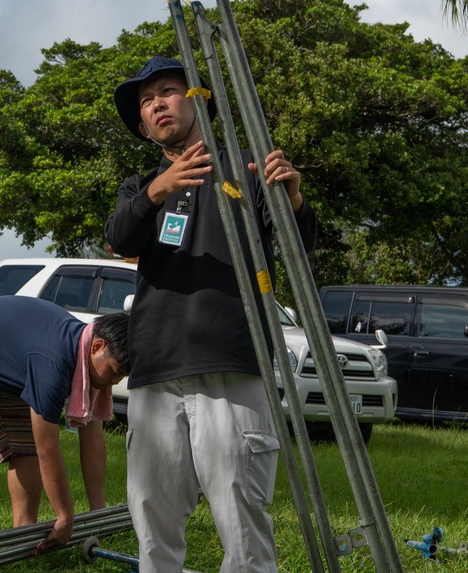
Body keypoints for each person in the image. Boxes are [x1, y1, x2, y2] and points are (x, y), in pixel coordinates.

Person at [104, 56, 318, 573]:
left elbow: (296, 246)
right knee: (153, 523)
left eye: (167, 91)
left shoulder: (246, 167)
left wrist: (292, 198)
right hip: (155, 371)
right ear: (142, 126)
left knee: (242, 525)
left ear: (199, 100)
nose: (156, 104)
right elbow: (119, 237)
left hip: (232, 362)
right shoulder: (140, 187)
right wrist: (161, 189)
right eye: (146, 102)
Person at [0, 296, 130, 552]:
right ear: (97, 346)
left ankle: (24, 536)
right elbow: (49, 449)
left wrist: (98, 512)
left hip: (4, 368)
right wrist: (65, 516)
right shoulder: (54, 362)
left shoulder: (85, 355)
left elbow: (93, 438)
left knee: (25, 448)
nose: (114, 382)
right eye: (114, 371)